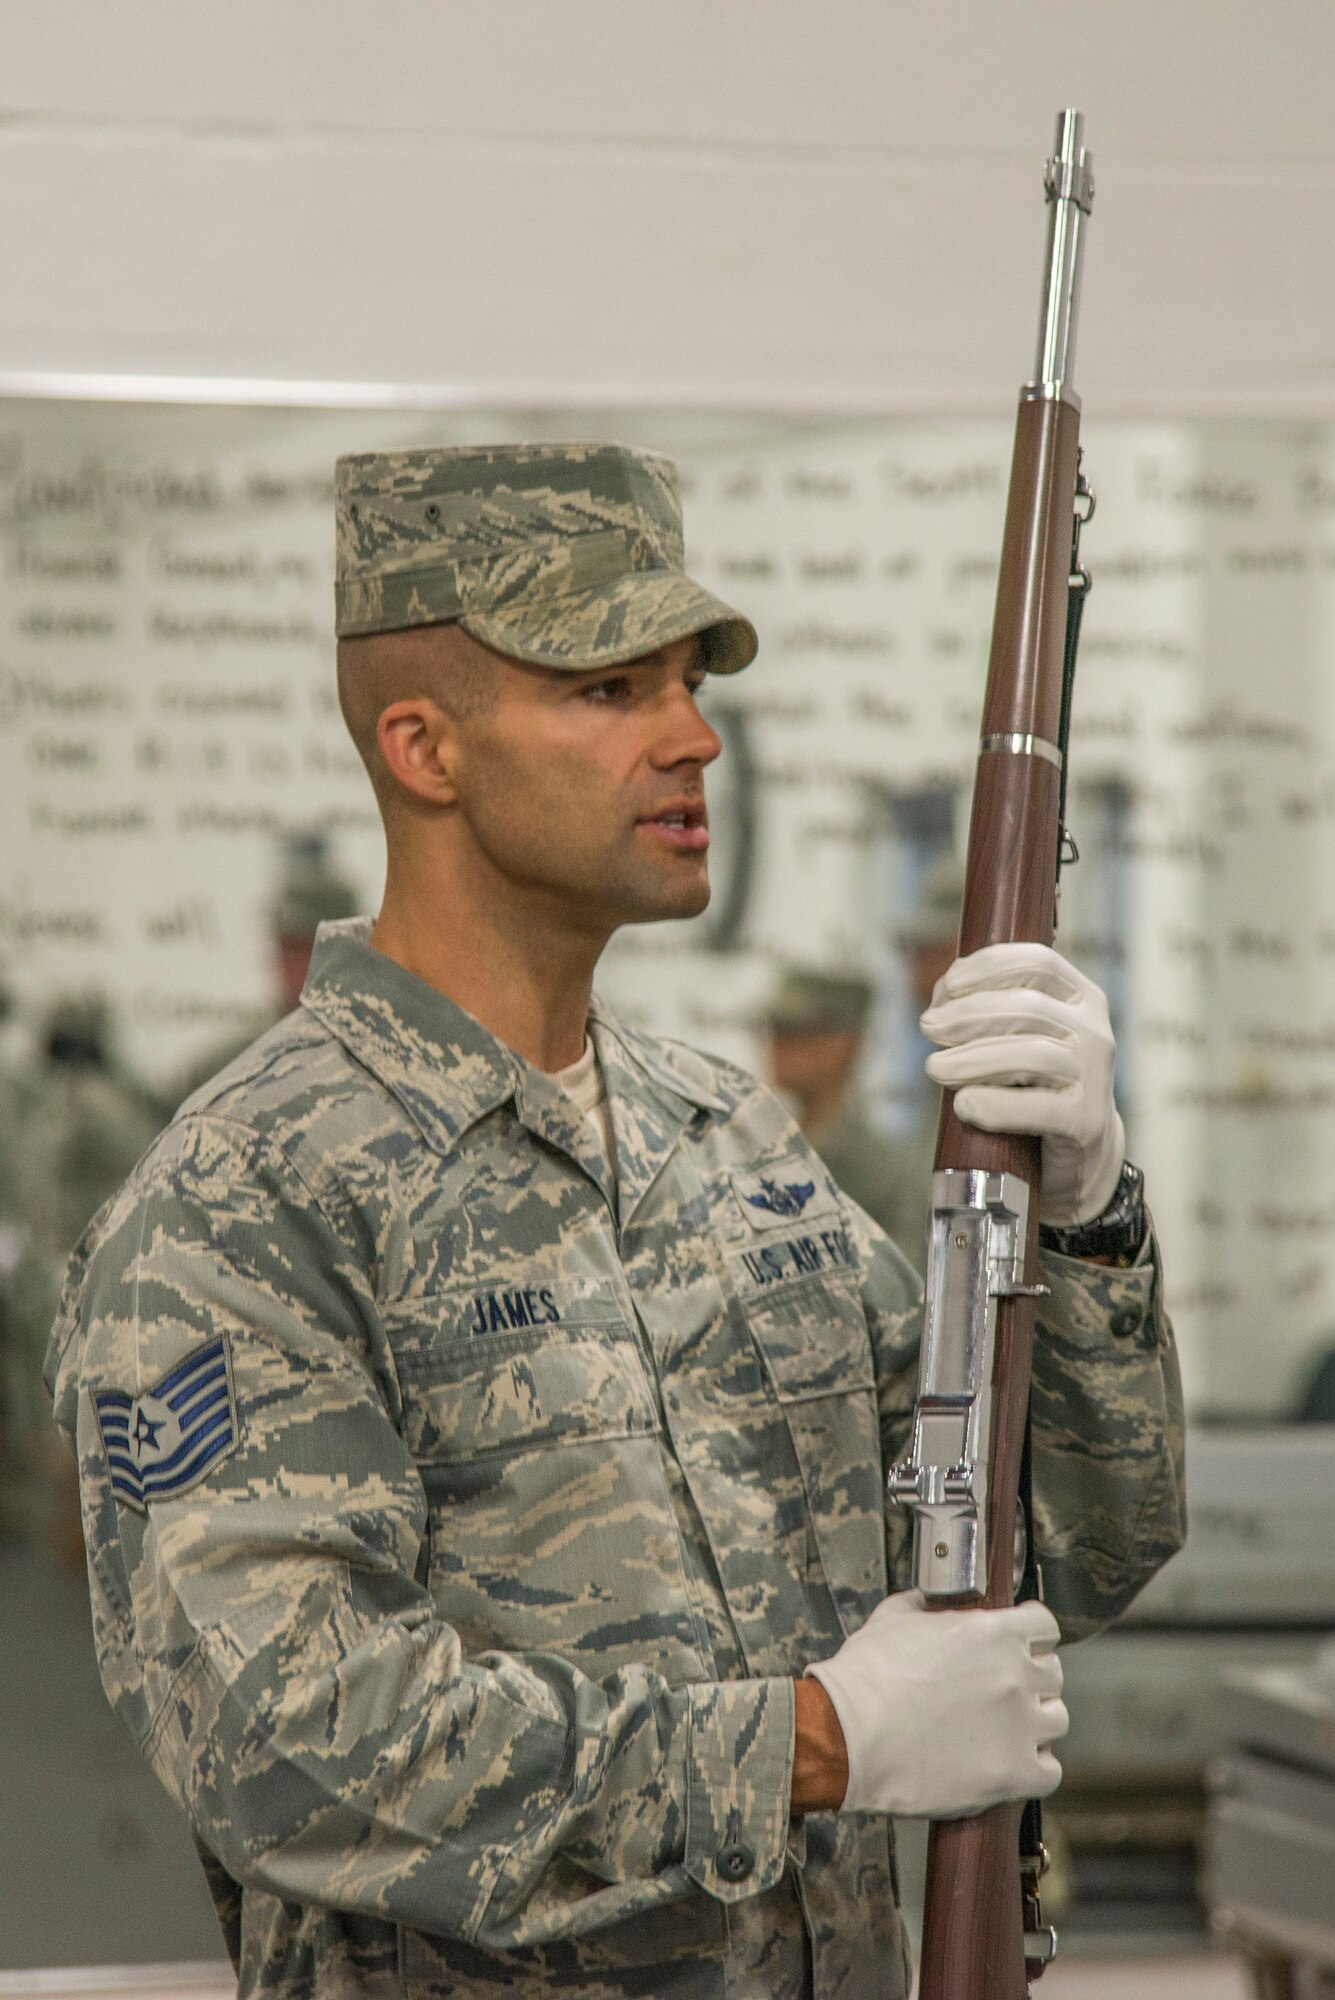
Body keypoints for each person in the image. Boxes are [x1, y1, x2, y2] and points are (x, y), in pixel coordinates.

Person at [47, 444, 1185, 2000]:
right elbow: (287, 1745)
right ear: (423, 748)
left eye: (687, 684)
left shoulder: (733, 1154)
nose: (693, 739)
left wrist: (1080, 1216)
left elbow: (1058, 1546)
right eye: (609, 692)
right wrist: (811, 1742)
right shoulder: (240, 1204)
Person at [170, 831, 360, 1106]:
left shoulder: (380, 1061)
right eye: (286, 948)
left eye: (308, 948)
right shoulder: (225, 1070)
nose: (293, 966)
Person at [764, 967, 926, 1266]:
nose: (777, 1046)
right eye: (776, 1031)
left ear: (845, 1044)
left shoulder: (879, 1168)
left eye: (798, 1033)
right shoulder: (765, 1146)